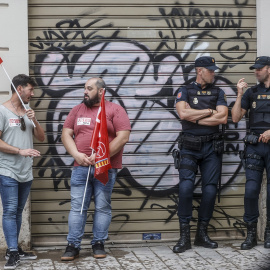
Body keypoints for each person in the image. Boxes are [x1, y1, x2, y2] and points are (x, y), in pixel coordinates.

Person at [61, 77, 131, 260]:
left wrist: (101, 156)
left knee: (102, 206)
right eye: (84, 88)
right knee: (77, 208)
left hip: (105, 168)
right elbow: (66, 134)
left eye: (89, 88)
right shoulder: (77, 110)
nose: (85, 91)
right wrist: (76, 154)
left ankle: (98, 243)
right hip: (80, 167)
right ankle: (73, 245)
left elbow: (123, 137)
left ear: (101, 91)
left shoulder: (115, 110)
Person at [173, 56, 228, 253]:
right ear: (199, 70)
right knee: (186, 189)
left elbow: (222, 117)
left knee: (211, 191)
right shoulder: (184, 90)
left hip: (211, 148)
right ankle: (184, 237)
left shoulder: (218, 91)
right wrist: (209, 112)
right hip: (189, 147)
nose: (213, 73)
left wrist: (195, 116)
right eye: (210, 70)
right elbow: (183, 115)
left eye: (214, 70)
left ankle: (201, 235)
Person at [0, 74, 45, 269]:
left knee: (18, 212)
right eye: (30, 90)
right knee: (10, 211)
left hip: (25, 171)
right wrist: (20, 151)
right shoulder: (2, 111)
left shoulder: (28, 111)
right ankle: (11, 252)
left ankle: (16, 249)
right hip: (7, 169)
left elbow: (41, 138)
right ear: (19, 89)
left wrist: (35, 121)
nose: (32, 94)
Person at [231, 56, 270, 250]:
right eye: (254, 69)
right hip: (254, 146)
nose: (256, 71)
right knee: (250, 191)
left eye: (259, 68)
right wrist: (239, 94)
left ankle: (269, 233)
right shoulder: (251, 92)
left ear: (269, 69)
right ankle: (251, 234)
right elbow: (236, 117)